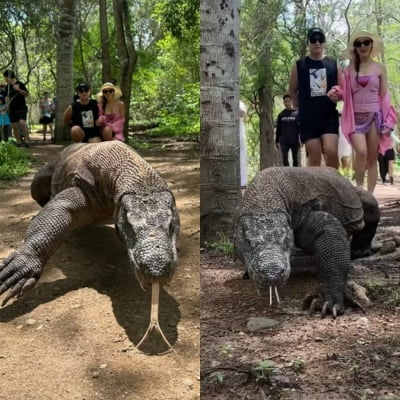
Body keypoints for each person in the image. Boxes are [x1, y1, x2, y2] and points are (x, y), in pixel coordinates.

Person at [332, 31, 397, 193]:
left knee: (372, 157)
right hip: (355, 119)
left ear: (371, 45)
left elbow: (384, 97)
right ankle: (360, 191)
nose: (362, 46)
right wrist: (336, 93)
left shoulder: (380, 68)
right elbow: (345, 93)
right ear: (355, 48)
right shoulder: (348, 69)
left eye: (365, 42)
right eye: (358, 43)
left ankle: (370, 196)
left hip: (374, 117)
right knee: (360, 152)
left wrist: (389, 121)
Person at [289, 27, 342, 168]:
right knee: (314, 157)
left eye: (320, 39)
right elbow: (292, 91)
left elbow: (342, 91)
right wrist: (299, 108)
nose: (317, 43)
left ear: (324, 42)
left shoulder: (333, 64)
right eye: (313, 39)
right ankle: (314, 188)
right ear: (308, 43)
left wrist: (337, 97)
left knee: (331, 152)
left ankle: (335, 186)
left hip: (329, 116)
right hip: (308, 119)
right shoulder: (299, 65)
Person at [3, 69, 31, 147]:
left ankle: (26, 140)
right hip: (12, 109)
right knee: (14, 126)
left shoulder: (20, 84)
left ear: (9, 77)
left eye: (5, 77)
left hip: (21, 108)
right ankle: (18, 142)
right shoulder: (7, 87)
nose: (5, 79)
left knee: (22, 123)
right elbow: (7, 97)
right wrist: (7, 107)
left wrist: (18, 89)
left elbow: (26, 94)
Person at [275, 94, 300, 166]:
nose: (287, 103)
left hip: (294, 140)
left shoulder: (297, 114)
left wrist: (301, 139)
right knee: (285, 158)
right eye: (285, 101)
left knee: (295, 159)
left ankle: (296, 175)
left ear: (291, 101)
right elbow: (278, 128)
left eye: (288, 101)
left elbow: (300, 128)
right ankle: (287, 174)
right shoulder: (281, 115)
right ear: (283, 103)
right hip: (284, 141)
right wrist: (276, 140)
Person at [239, 100, 248, 188]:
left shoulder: (240, 103)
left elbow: (243, 114)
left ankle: (243, 182)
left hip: (240, 133)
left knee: (242, 157)